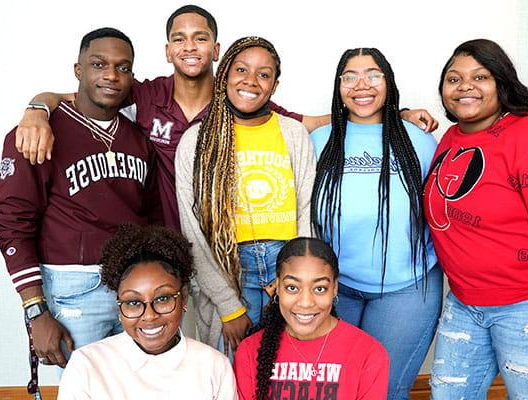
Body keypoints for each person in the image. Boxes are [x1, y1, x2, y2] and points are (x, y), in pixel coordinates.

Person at [14, 5, 438, 231]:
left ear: (217, 49)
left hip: (227, 245)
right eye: (179, 39)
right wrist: (38, 106)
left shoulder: (242, 99)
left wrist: (390, 110)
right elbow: (83, 93)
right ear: (167, 50)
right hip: (163, 238)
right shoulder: (144, 93)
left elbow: (311, 122)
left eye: (201, 38)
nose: (190, 47)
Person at [424, 38, 528, 399]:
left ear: (502, 82)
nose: (465, 86)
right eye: (454, 79)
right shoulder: (451, 138)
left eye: (480, 76)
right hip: (464, 302)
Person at [0, 27, 160, 369]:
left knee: (137, 385)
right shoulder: (37, 132)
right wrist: (35, 310)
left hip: (133, 286)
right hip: (72, 288)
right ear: (78, 70)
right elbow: (11, 224)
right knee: (86, 388)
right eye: (99, 64)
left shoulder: (138, 139)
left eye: (123, 68)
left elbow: (152, 216)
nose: (111, 75)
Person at [310, 48, 442, 400]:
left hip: (407, 290)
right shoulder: (318, 141)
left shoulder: (418, 139)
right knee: (334, 388)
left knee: (384, 389)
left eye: (373, 74)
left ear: (389, 82)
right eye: (350, 76)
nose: (361, 84)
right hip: (337, 290)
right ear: (338, 87)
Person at [176, 36, 315, 354]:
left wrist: (297, 280)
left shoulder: (292, 133)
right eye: (241, 69)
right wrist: (228, 305)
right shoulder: (195, 141)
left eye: (263, 74)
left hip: (286, 265)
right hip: (230, 270)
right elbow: (193, 231)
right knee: (232, 370)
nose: (251, 81)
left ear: (274, 85)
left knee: (286, 365)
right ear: (224, 74)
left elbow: (307, 211)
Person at [57, 224, 237, 399]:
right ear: (119, 308)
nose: (149, 316)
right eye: (133, 302)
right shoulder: (87, 365)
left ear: (182, 298)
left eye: (162, 299)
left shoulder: (213, 365)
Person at [234, 237, 389, 400]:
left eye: (320, 288)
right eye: (292, 288)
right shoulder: (249, 352)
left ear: (334, 288)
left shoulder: (369, 354)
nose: (306, 303)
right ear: (277, 286)